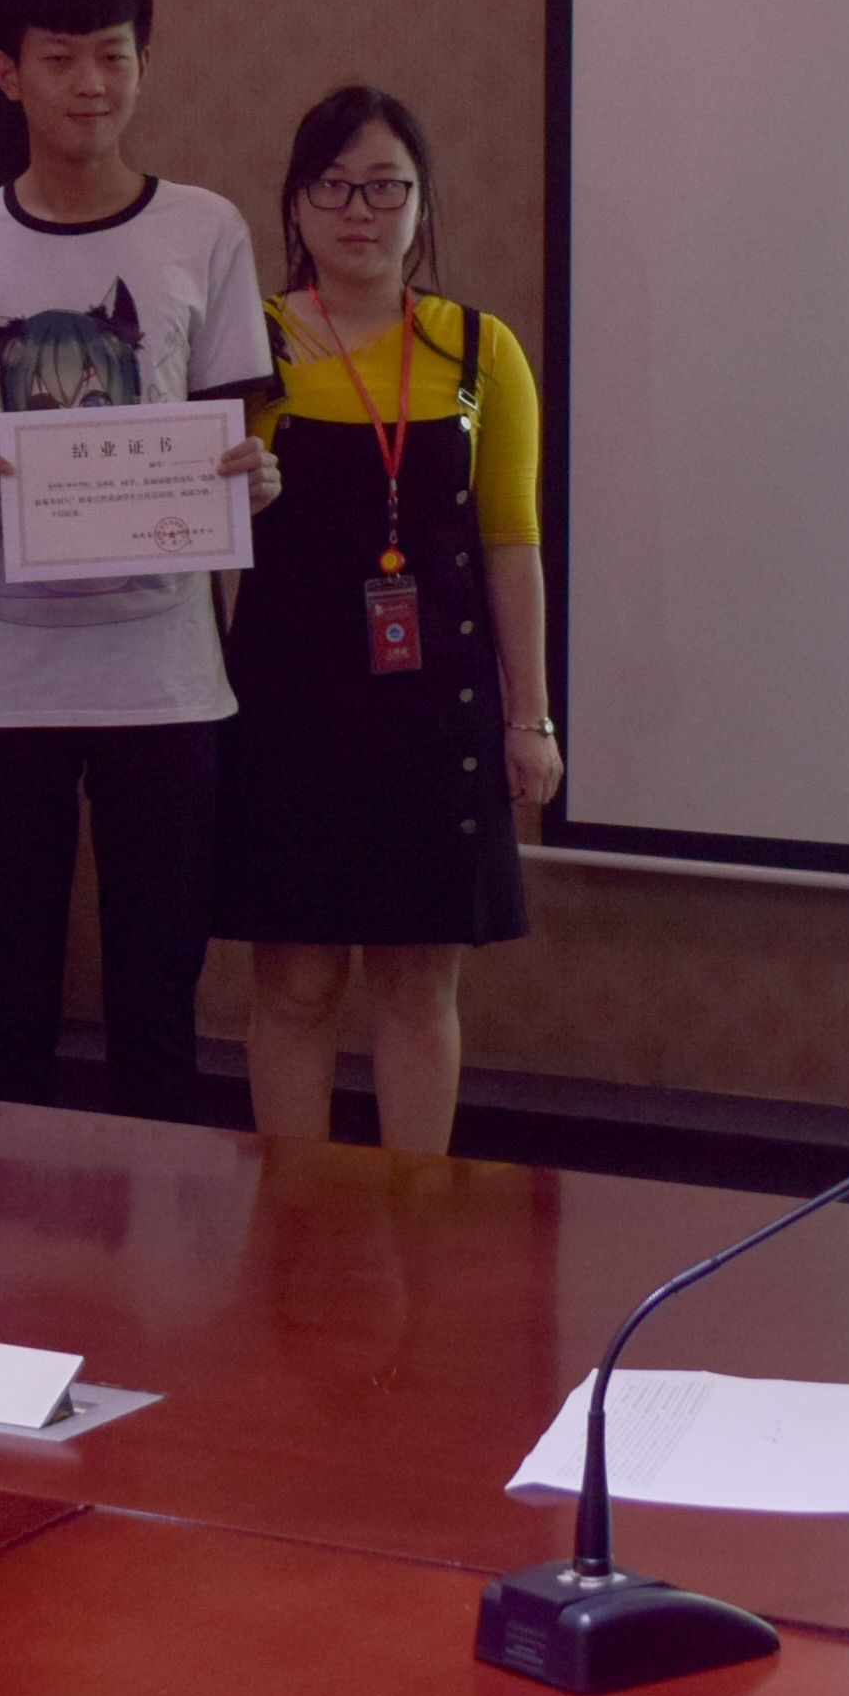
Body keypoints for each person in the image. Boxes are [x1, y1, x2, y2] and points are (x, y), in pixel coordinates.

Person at [0, 0, 280, 1116]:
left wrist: (248, 475)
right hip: (1, 666)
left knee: (158, 994)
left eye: (112, 56)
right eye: (59, 59)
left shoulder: (204, 226)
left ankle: (165, 1215)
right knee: (6, 990)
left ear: (143, 66)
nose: (89, 84)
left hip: (166, 673)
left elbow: (227, 422)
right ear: (7, 72)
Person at [213, 86, 556, 1152]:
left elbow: (511, 542)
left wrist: (530, 718)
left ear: (421, 206)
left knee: (416, 989)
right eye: (333, 186)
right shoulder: (248, 342)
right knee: (297, 987)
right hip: (287, 711)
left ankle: (417, 1214)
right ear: (295, 204)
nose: (358, 211)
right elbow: (184, 530)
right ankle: (293, 1217)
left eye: (385, 187)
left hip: (435, 715)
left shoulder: (479, 348)